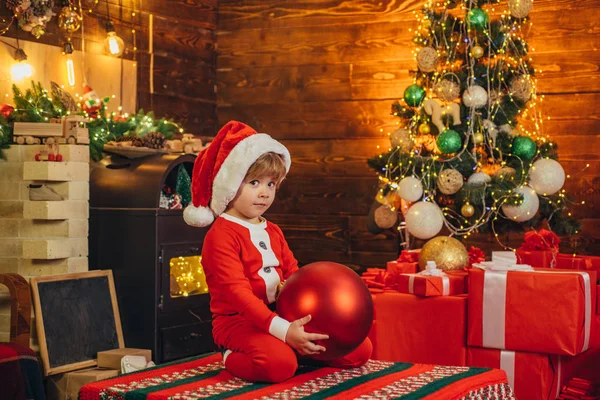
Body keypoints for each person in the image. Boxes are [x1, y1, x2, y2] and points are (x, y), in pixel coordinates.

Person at [184, 121, 372, 383]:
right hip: (239, 322)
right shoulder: (221, 235)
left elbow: (294, 274)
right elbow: (238, 296)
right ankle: (230, 355)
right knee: (278, 366)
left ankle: (297, 351)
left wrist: (311, 319)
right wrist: (285, 331)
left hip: (282, 315)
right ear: (230, 184)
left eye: (271, 184)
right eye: (254, 182)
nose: (264, 193)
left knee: (357, 350)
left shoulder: (272, 230)